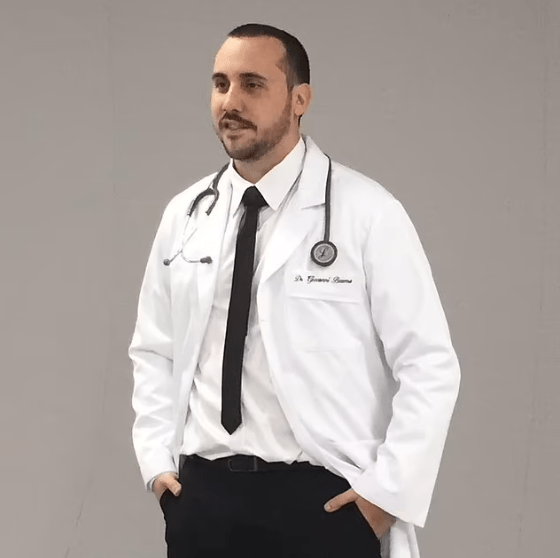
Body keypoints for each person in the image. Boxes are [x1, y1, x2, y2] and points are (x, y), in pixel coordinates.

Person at [128, 22, 460, 558]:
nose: (230, 102)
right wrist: (157, 464)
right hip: (203, 500)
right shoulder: (186, 215)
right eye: (220, 84)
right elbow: (153, 349)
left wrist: (387, 495)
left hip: (322, 502)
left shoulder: (367, 212)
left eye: (252, 84)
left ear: (299, 99)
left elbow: (430, 364)